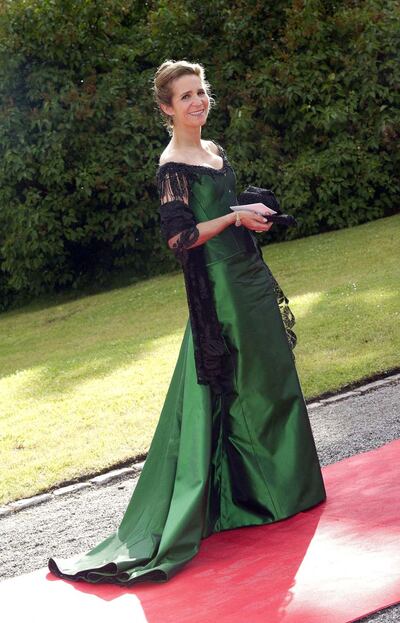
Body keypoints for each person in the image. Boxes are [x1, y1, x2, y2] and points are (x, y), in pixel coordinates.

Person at [47, 59, 326, 585]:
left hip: (250, 274)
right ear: (166, 108)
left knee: (272, 377)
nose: (198, 101)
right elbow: (179, 240)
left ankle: (291, 488)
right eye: (185, 96)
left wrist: (251, 218)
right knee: (243, 388)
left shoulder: (215, 151)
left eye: (201, 92)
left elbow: (224, 211)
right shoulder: (172, 165)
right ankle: (256, 500)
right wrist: (232, 218)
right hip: (220, 290)